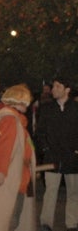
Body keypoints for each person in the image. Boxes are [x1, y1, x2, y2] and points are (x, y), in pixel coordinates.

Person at [0, 84, 36, 231]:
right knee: (8, 221)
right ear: (19, 102)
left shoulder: (10, 119)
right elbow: (4, 149)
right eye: (25, 103)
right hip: (11, 182)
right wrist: (0, 174)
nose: (27, 107)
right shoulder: (11, 120)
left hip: (15, 179)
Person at [36, 76, 78, 231]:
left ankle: (72, 223)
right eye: (53, 86)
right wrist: (45, 149)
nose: (53, 89)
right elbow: (40, 133)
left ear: (67, 89)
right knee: (50, 191)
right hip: (52, 158)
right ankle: (46, 223)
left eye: (57, 86)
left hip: (72, 158)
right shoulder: (47, 108)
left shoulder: (75, 108)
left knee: (74, 192)